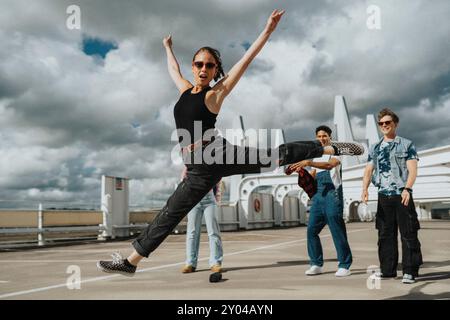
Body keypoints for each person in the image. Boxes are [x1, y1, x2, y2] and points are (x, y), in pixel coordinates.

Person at [97, 10, 364, 277]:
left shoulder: (215, 94)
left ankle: (331, 147)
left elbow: (245, 61)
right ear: (193, 66)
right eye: (199, 64)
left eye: (209, 65)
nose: (203, 69)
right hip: (197, 168)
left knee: (276, 156)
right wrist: (167, 48)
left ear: (215, 70)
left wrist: (268, 31)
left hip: (218, 153)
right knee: (170, 212)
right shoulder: (184, 90)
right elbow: (172, 69)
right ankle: (130, 262)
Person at [362, 108, 422, 284]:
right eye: (381, 123)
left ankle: (409, 271)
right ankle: (388, 270)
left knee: (408, 233)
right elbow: (368, 170)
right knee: (385, 235)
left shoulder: (406, 144)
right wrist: (364, 189)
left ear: (395, 124)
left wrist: (408, 189)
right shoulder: (375, 147)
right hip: (383, 196)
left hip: (401, 195)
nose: (384, 125)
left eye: (387, 122)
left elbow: (413, 170)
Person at [286, 125, 352, 277]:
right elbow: (313, 176)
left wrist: (308, 163)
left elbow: (330, 165)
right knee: (311, 231)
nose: (322, 138)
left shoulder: (336, 150)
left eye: (324, 136)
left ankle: (344, 265)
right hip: (318, 197)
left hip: (332, 195)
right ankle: (316, 264)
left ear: (330, 137)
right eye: (319, 136)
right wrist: (301, 172)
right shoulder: (316, 155)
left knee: (337, 230)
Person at [180, 166, 223, 273]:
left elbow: (218, 179)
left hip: (209, 200)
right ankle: (190, 263)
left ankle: (215, 262)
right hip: (193, 200)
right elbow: (183, 180)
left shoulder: (212, 161)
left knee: (213, 232)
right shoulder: (190, 163)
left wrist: (217, 197)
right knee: (192, 233)